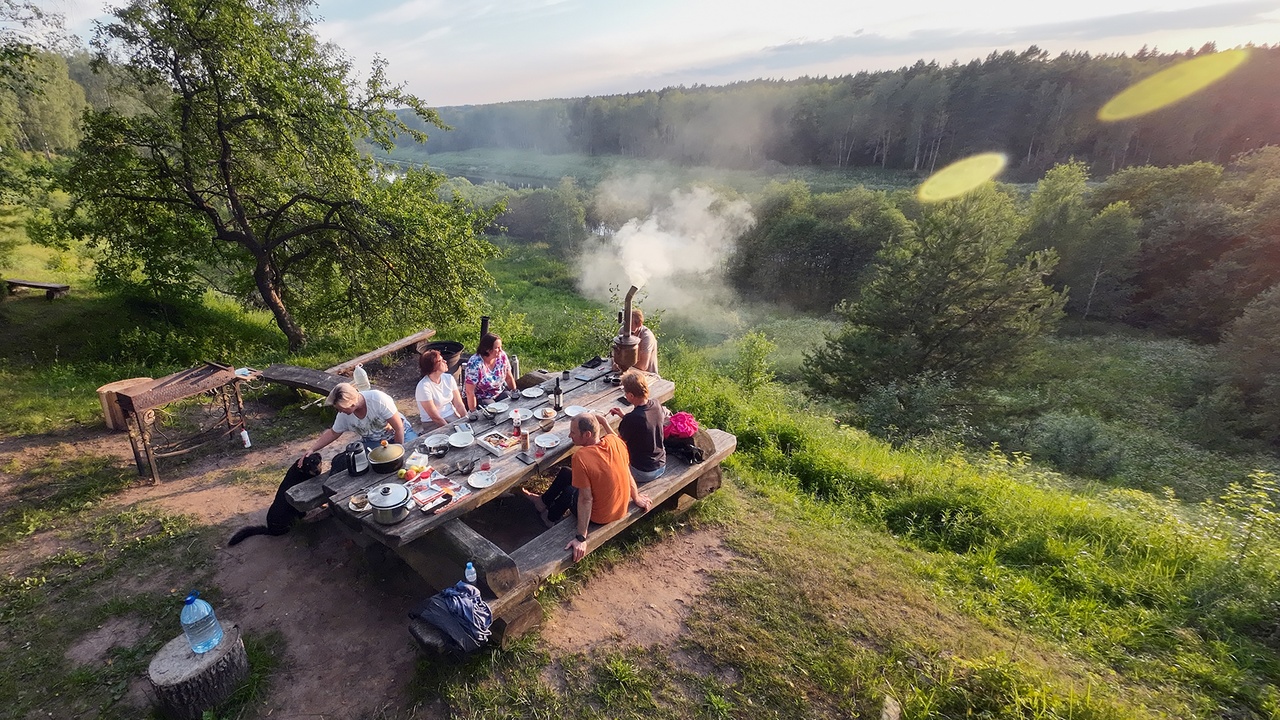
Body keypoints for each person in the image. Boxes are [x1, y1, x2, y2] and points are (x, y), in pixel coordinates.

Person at [522, 413, 652, 562]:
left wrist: (581, 538)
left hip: (601, 516)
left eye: (573, 432)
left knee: (570, 491)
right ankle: (542, 502)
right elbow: (626, 469)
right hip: (619, 507)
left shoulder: (581, 457)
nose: (570, 435)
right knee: (566, 473)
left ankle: (550, 518)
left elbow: (585, 499)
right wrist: (636, 496)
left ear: (587, 434)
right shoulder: (615, 440)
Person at [296, 382, 417, 467]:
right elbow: (333, 433)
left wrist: (397, 453)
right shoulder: (344, 415)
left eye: (341, 408)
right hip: (374, 442)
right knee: (372, 466)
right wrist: (312, 449)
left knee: (413, 456)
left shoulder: (378, 399)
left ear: (352, 404)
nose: (340, 411)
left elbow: (398, 427)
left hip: (401, 434)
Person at [608, 368, 667, 484]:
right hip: (661, 464)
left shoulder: (633, 418)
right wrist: (624, 416)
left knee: (607, 463)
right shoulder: (656, 404)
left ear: (630, 395)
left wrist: (604, 423)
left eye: (625, 392)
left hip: (643, 471)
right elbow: (644, 424)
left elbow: (617, 444)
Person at [464, 332, 517, 410]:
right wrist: (473, 412)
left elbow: (509, 377)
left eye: (501, 347)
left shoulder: (502, 356)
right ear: (488, 349)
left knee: (510, 402)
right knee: (492, 410)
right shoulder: (475, 363)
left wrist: (515, 392)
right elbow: (469, 391)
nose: (500, 350)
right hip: (482, 397)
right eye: (497, 348)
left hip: (499, 391)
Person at [416, 349, 465, 429]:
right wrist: (449, 429)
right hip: (432, 423)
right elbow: (435, 417)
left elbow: (459, 404)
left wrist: (466, 419)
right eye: (441, 361)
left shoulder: (449, 378)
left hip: (452, 416)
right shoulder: (423, 387)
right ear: (433, 366)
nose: (445, 362)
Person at [618, 308, 658, 375]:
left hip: (647, 375)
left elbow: (643, 366)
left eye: (630, 323)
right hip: (627, 372)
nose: (626, 326)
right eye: (625, 322)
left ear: (639, 324)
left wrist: (622, 364)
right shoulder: (623, 331)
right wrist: (614, 362)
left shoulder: (646, 337)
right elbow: (617, 352)